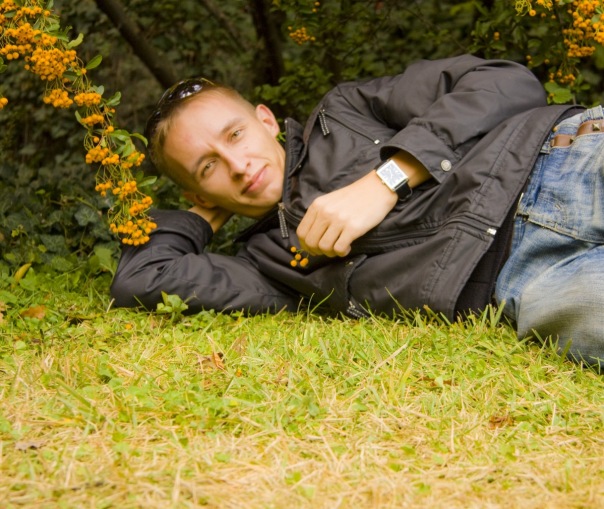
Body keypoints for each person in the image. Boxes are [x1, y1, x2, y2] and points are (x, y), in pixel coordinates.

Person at [110, 54, 604, 369]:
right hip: (530, 282)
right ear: (197, 194)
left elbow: (504, 81)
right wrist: (204, 214)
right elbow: (142, 278)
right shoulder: (268, 267)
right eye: (208, 167)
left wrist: (387, 179)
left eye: (235, 134)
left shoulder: (344, 112)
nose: (238, 165)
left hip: (563, 162)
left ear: (265, 120)